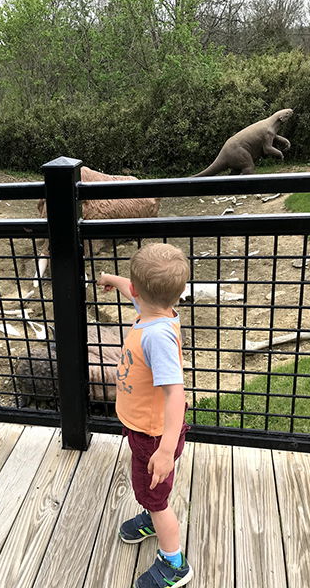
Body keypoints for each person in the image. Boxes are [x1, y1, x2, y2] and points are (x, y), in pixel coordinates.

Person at [97, 242, 193, 588]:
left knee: (156, 497)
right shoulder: (158, 311)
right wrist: (112, 278)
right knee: (151, 490)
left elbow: (174, 394)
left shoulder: (156, 337)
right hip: (145, 430)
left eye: (130, 287)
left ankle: (174, 563)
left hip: (154, 437)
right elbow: (132, 290)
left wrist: (165, 450)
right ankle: (152, 518)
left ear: (139, 291)